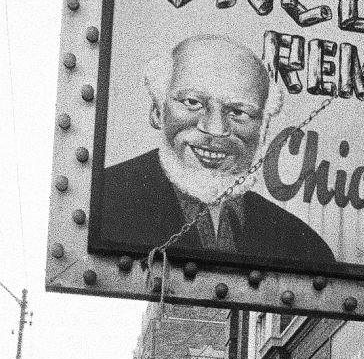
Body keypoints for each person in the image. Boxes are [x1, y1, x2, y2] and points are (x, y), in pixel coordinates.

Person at [93, 34, 338, 270]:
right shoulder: (104, 199)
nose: (216, 129)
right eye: (193, 102)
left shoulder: (304, 246)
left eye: (239, 112)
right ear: (157, 110)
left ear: (262, 129)